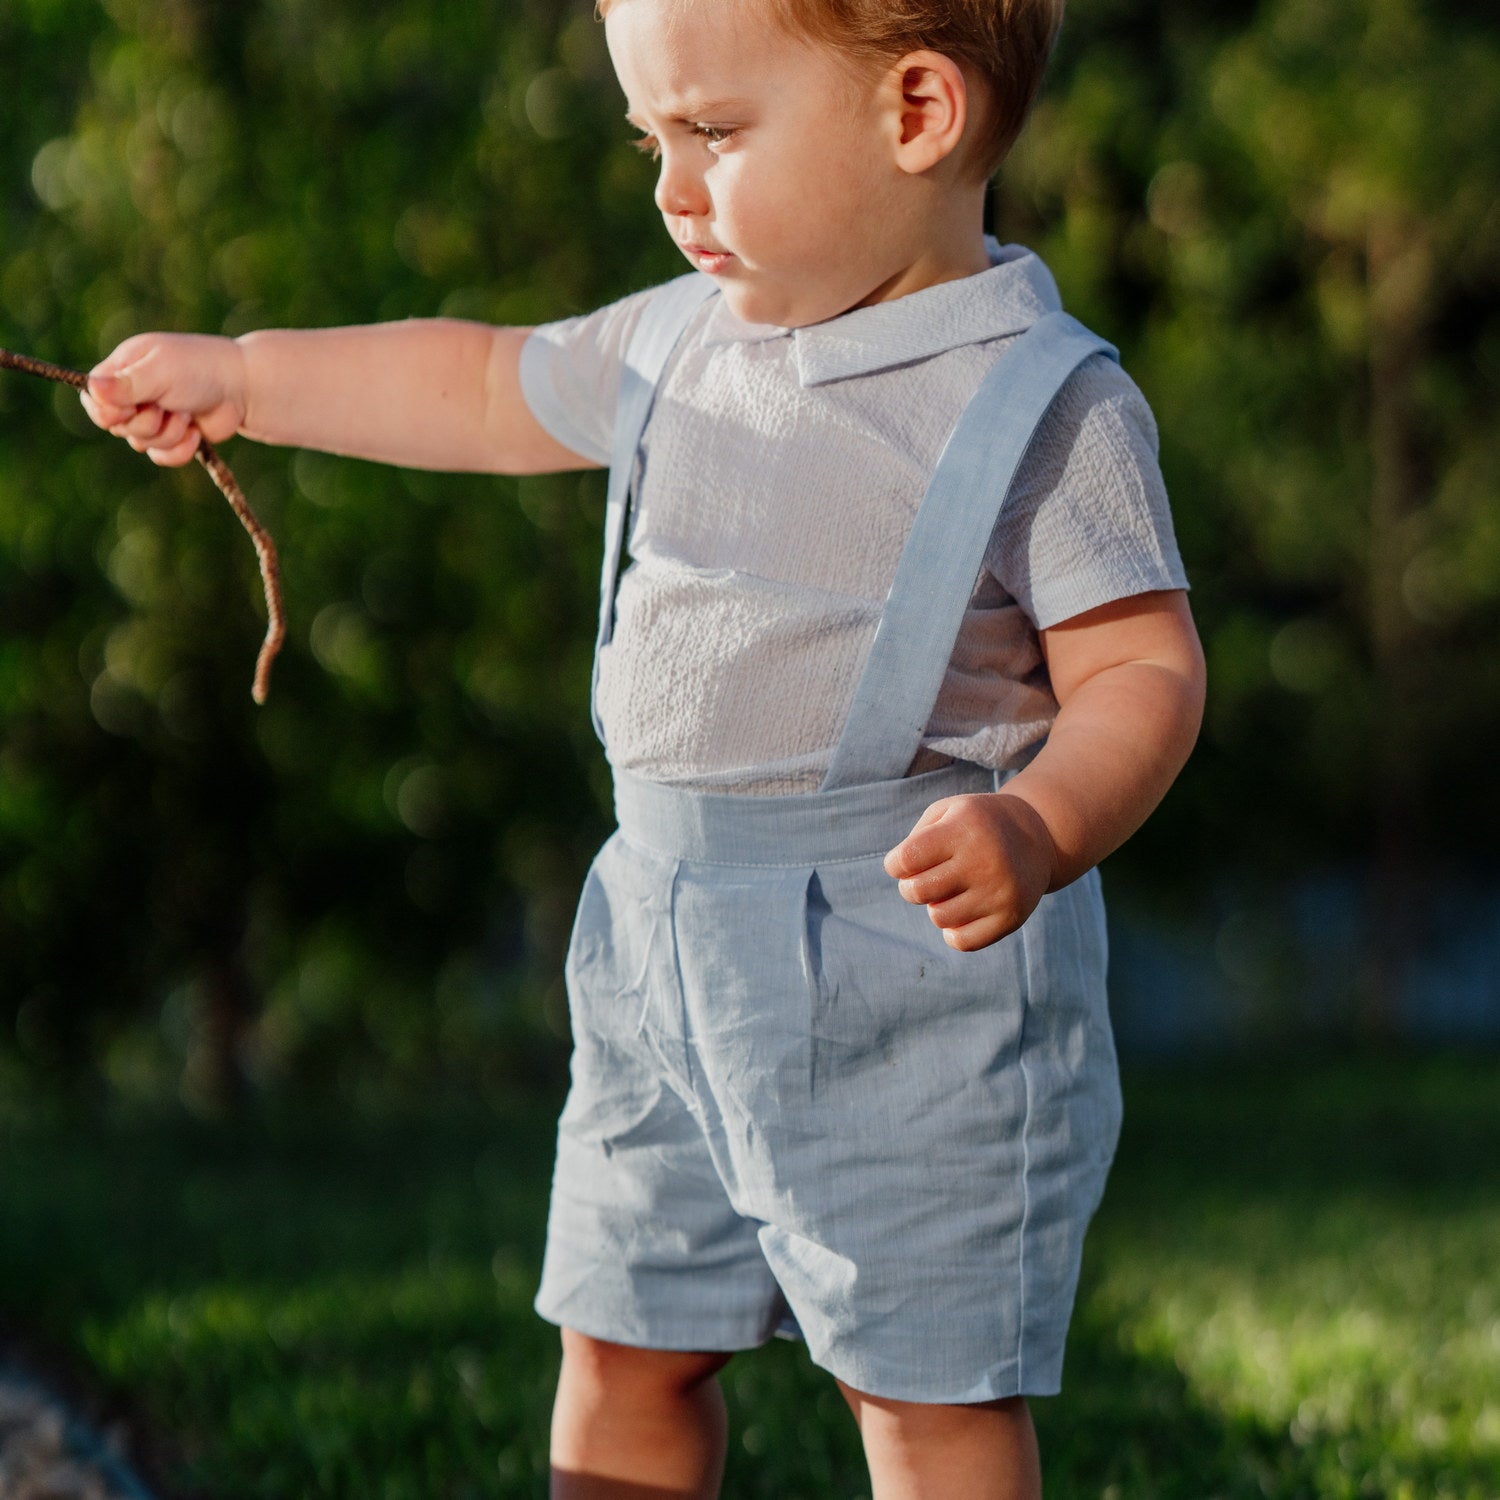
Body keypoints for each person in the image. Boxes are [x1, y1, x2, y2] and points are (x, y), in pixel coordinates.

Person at [81, 0, 1207, 1493]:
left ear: (917, 112)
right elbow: (480, 383)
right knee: (621, 1347)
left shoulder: (1040, 405)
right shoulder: (680, 339)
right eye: (649, 140)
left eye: (713, 133)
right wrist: (250, 378)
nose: (671, 189)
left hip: (910, 976)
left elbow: (1142, 669)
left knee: (922, 1393)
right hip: (657, 952)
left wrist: (1043, 822)